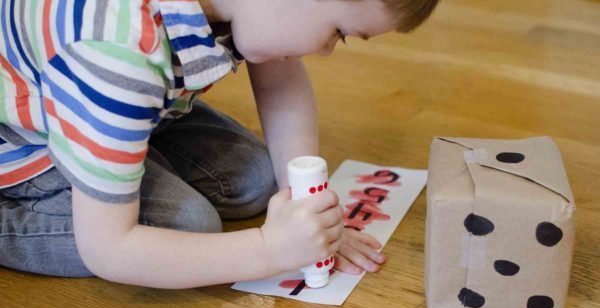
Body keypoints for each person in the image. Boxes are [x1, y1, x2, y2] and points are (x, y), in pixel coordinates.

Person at [0, 0, 439, 288]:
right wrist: (269, 250)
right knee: (185, 227)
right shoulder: (114, 51)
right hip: (26, 146)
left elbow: (282, 80)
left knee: (257, 180)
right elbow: (108, 249)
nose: (326, 51)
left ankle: (122, 147)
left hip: (122, 104)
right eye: (338, 33)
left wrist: (309, 210)